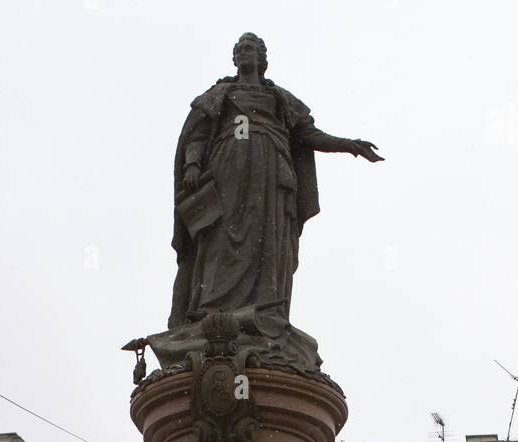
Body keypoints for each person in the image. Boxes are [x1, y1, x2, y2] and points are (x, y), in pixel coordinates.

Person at [149, 32, 383, 374]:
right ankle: (211, 314)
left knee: (268, 242)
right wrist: (192, 165)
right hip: (227, 169)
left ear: (262, 58)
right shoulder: (220, 94)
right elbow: (197, 134)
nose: (246, 52)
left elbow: (308, 134)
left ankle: (264, 313)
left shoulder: (278, 97)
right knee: (222, 238)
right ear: (234, 58)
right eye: (241, 48)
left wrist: (349, 145)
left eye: (252, 48)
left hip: (271, 173)